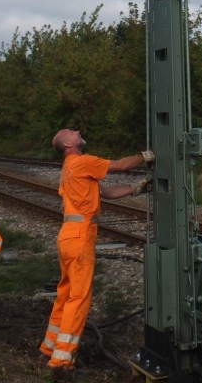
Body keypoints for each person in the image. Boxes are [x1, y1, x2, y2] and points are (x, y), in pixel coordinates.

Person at [39, 128, 155, 377]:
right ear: (68, 143)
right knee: (78, 298)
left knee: (66, 293)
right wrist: (146, 155)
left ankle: (50, 346)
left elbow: (106, 193)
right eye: (72, 132)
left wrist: (137, 189)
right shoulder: (83, 162)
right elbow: (121, 165)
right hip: (80, 236)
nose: (78, 131)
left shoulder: (69, 169)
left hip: (68, 235)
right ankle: (61, 361)